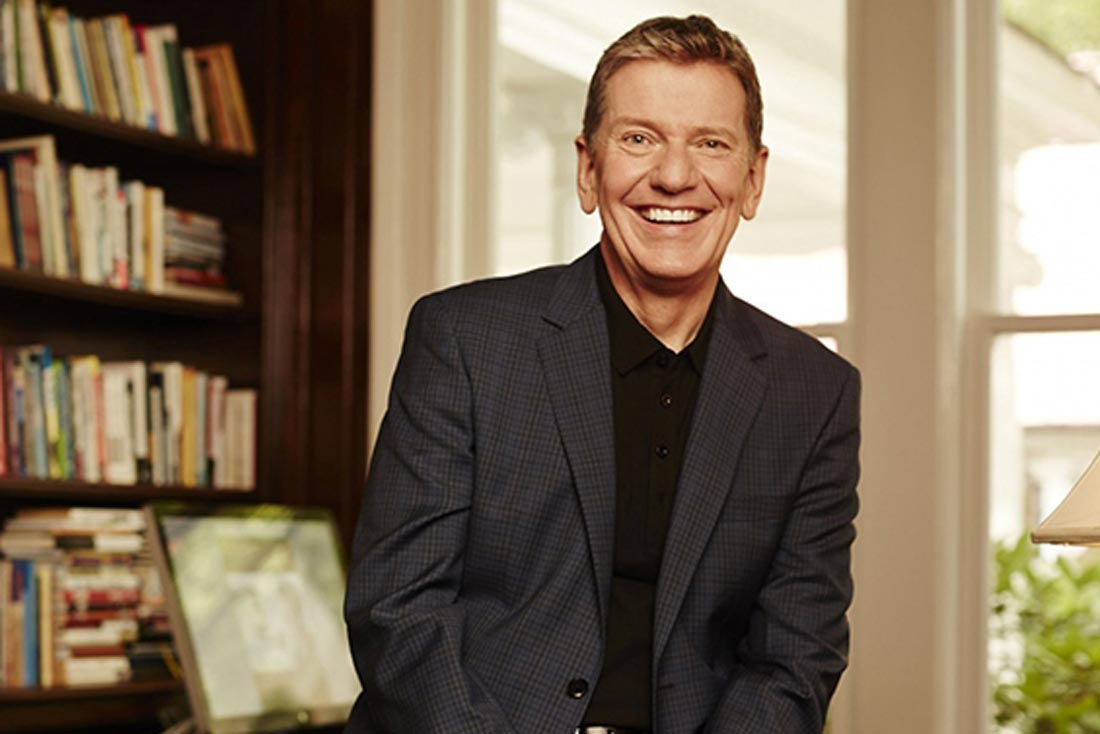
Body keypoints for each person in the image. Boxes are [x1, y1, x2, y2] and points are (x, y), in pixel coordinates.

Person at [345, 14, 860, 734]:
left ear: (752, 180)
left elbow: (794, 659)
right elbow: (397, 610)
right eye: (639, 139)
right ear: (589, 170)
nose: (674, 176)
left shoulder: (814, 393)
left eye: (710, 144)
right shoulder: (464, 341)